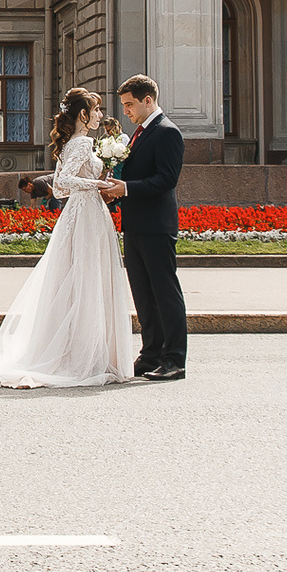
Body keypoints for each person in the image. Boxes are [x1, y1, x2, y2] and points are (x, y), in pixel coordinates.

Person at [0, 88, 136, 390]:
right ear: (83, 115)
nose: (100, 115)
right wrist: (98, 182)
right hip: (85, 216)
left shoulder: (73, 143)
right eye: (96, 110)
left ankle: (78, 349)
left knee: (75, 282)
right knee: (87, 280)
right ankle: (86, 356)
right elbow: (62, 183)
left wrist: (96, 181)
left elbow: (59, 191)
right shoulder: (83, 143)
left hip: (80, 214)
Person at [101, 74, 188, 381]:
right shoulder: (140, 133)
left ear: (147, 100)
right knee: (143, 294)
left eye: (129, 104)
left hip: (156, 225)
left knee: (165, 293)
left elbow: (166, 180)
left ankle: (174, 359)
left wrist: (125, 188)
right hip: (136, 224)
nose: (125, 110)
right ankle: (150, 354)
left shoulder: (167, 133)